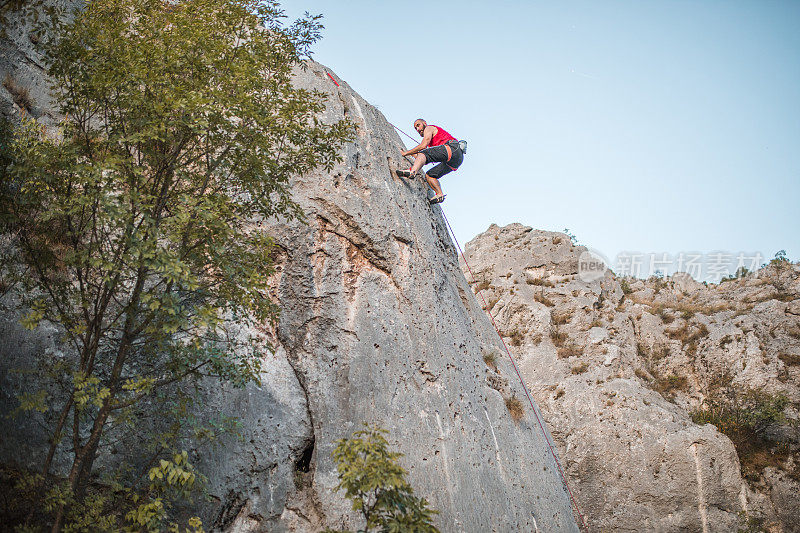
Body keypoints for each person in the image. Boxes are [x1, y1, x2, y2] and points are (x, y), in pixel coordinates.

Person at [397, 119, 464, 204]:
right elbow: (421, 158)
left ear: (424, 123)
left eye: (418, 125)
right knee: (430, 175)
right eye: (415, 128)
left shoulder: (429, 128)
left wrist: (405, 153)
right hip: (456, 160)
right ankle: (439, 194)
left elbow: (423, 146)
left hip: (452, 147)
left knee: (424, 152)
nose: (417, 129)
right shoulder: (433, 143)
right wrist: (413, 154)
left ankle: (412, 171)